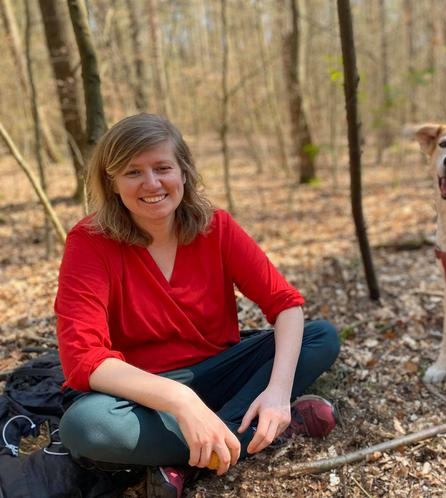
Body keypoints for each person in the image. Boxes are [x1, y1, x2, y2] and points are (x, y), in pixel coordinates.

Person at [54, 113, 340, 497]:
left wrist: (276, 392)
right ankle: (257, 434)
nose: (152, 183)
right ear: (113, 183)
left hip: (220, 371)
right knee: (86, 426)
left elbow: (285, 304)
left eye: (162, 168)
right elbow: (82, 358)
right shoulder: (89, 242)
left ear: (183, 173)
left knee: (320, 337)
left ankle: (189, 455)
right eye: (133, 172)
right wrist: (181, 400)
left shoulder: (215, 228)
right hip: (145, 393)